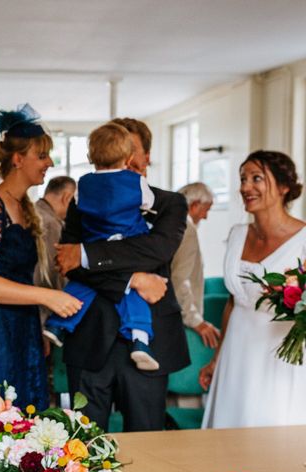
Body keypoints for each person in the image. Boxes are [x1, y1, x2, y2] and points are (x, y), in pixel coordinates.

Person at [55, 117, 190, 432]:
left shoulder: (170, 203)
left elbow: (156, 250)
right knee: (84, 444)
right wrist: (134, 279)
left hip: (150, 340)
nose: (125, 160)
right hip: (90, 336)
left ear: (145, 158)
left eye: (132, 151)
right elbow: (69, 262)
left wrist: (90, 254)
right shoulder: (84, 199)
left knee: (147, 444)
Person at [0, 104, 82, 410]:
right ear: (17, 158)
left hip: (23, 328)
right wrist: (47, 297)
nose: (49, 162)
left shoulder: (25, 207)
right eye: (42, 155)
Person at [200, 150, 306, 428]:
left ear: (284, 187)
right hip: (236, 352)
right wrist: (216, 359)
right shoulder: (237, 235)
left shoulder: (303, 240)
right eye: (242, 178)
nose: (245, 187)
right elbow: (233, 302)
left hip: (279, 358)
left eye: (256, 178)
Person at [44, 123, 159, 371]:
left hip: (92, 246)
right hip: (127, 244)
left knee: (81, 286)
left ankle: (57, 325)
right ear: (129, 158)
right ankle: (140, 339)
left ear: (90, 157)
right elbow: (149, 204)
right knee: (133, 295)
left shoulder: (82, 184)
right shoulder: (136, 182)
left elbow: (79, 207)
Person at [171, 182, 220, 348]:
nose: (205, 216)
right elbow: (179, 279)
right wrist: (196, 320)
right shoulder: (187, 229)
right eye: (206, 209)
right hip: (180, 319)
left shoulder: (170, 223)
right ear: (195, 204)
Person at [33, 176, 76, 329]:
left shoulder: (32, 213)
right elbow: (50, 274)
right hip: (42, 312)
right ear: (67, 198)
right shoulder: (51, 225)